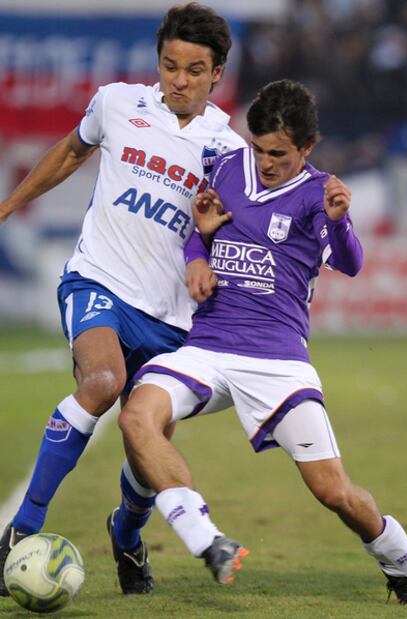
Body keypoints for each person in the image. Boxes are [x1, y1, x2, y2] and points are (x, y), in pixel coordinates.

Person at [116, 79, 407, 604]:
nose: (266, 160)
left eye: (278, 152)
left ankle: (403, 563)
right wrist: (198, 256)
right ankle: (207, 540)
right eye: (258, 147)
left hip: (278, 361)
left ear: (307, 148)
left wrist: (341, 224)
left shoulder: (319, 193)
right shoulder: (229, 168)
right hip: (208, 345)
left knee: (333, 491)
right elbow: (196, 228)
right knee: (137, 415)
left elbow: (351, 263)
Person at [0, 2, 246, 596]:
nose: (179, 81)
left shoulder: (230, 151)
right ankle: (19, 530)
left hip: (173, 319)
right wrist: (7, 206)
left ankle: (127, 535)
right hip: (98, 281)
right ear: (157, 62)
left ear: (217, 74)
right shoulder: (116, 102)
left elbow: (235, 240)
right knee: (103, 382)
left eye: (194, 70)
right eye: (169, 65)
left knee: (145, 444)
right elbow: (70, 152)